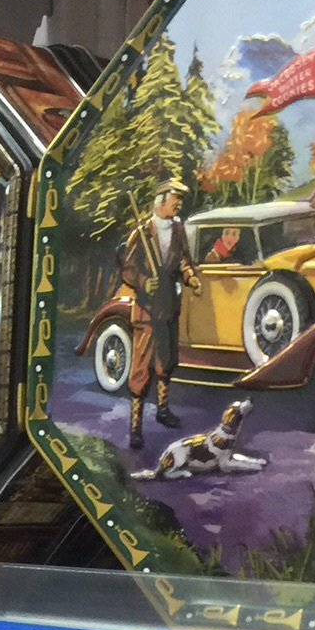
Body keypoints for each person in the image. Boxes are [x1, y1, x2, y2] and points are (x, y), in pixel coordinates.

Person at [120, 178, 201, 449]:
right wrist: (144, 283)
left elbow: (183, 260)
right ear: (161, 201)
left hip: (169, 306)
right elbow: (127, 268)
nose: (179, 204)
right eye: (176, 199)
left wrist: (190, 277)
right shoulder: (141, 232)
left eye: (180, 200)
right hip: (146, 310)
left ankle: (163, 410)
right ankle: (135, 428)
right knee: (141, 369)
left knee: (166, 361)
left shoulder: (178, 230)